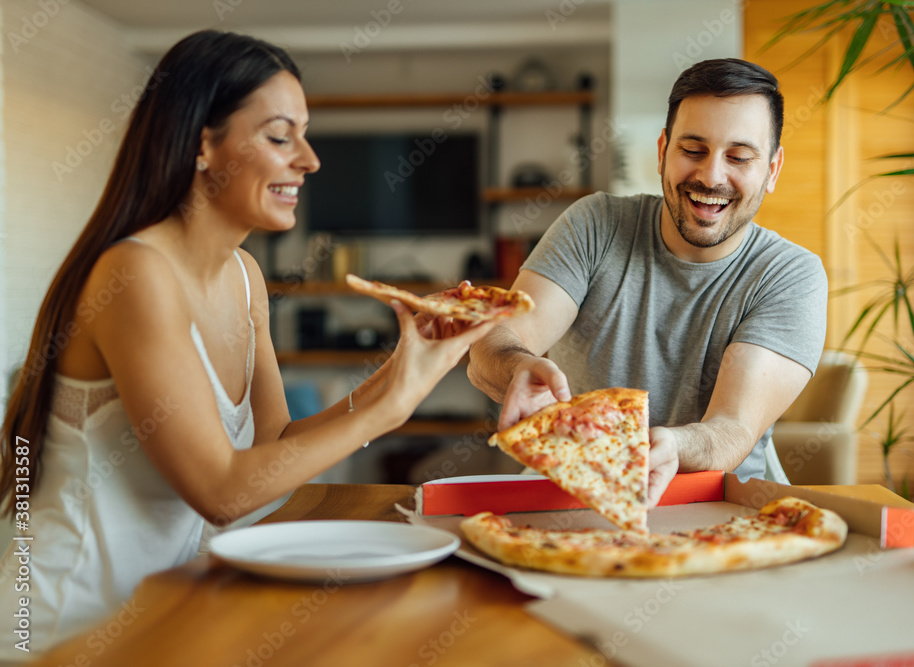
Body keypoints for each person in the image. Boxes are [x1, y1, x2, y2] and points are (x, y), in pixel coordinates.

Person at [0, 30, 496, 658]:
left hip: (160, 621)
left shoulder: (244, 275)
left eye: (305, 134)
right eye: (281, 136)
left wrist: (405, 372)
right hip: (58, 630)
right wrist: (391, 408)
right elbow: (222, 491)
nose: (310, 160)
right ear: (204, 145)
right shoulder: (135, 275)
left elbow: (273, 459)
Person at [468, 58, 827, 505]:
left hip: (717, 507)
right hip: (574, 494)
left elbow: (732, 430)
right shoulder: (593, 224)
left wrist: (669, 446)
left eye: (739, 157)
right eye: (693, 150)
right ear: (662, 151)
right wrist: (519, 366)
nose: (712, 176)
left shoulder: (791, 275)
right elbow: (490, 346)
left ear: (771, 170)